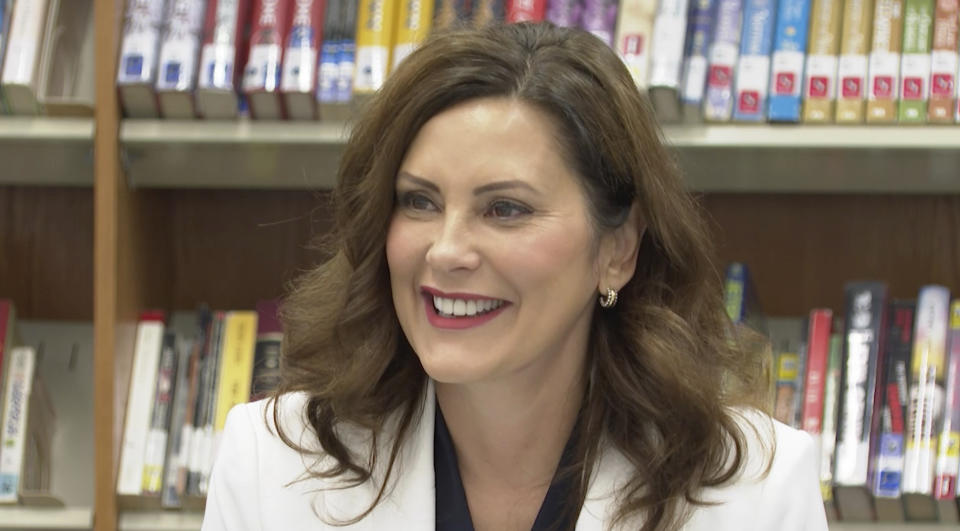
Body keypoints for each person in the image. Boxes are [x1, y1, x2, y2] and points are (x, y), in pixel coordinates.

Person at [203, 22, 827, 531]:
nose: (446, 252)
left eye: (506, 209)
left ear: (619, 249)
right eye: (419, 201)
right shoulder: (271, 462)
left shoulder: (757, 492)